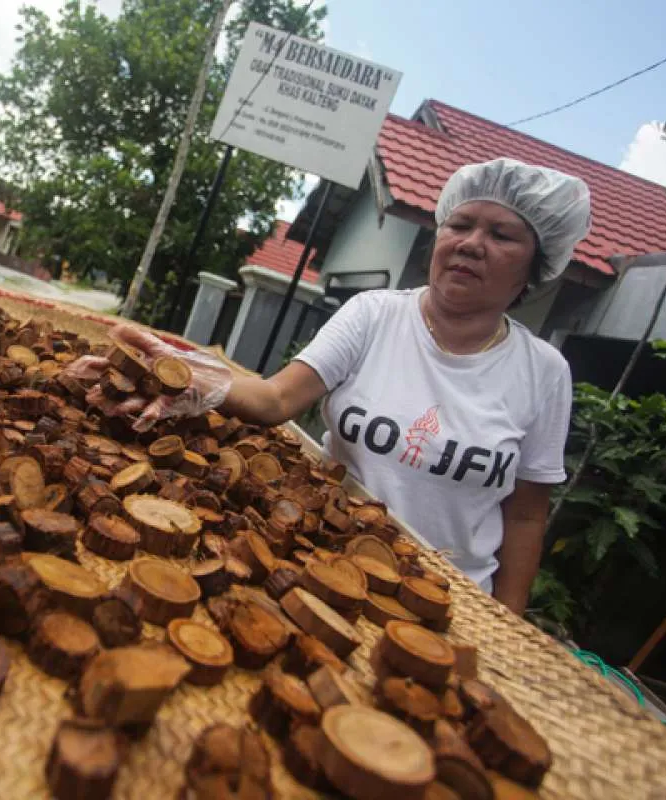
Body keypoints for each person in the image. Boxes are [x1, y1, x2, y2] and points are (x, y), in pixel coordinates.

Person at [75, 158, 592, 615]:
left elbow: (525, 514)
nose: (471, 244)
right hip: (326, 561)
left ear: (535, 265)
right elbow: (277, 398)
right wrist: (189, 372)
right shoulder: (374, 315)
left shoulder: (543, 372)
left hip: (446, 600)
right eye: (460, 224)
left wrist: (507, 624)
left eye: (502, 235)